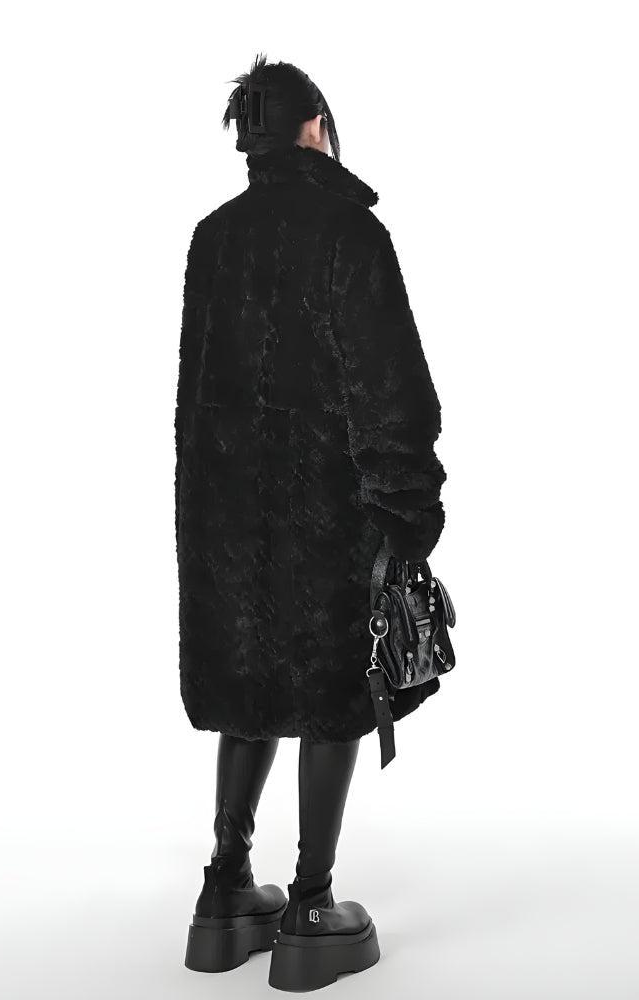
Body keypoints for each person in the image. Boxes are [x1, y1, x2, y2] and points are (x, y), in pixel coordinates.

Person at [175, 54, 446, 991]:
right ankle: (310, 905)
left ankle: (223, 892)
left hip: (225, 520)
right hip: (330, 514)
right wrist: (408, 518)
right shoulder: (350, 234)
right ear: (318, 126)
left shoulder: (212, 240)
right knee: (336, 688)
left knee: (249, 687)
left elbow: (191, 402)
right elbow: (394, 395)